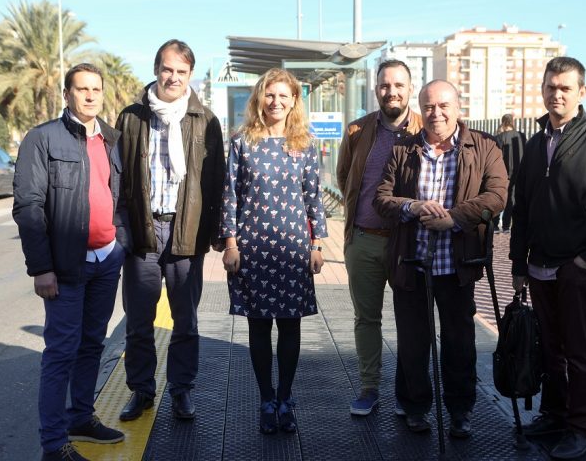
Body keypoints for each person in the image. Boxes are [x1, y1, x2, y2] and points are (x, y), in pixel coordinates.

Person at [510, 57, 586, 459]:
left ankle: (581, 430)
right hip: (539, 265)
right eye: (550, 87)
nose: (556, 94)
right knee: (549, 348)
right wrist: (517, 264)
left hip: (578, 267)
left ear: (581, 92)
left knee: (578, 351)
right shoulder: (533, 144)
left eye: (565, 87)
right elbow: (523, 207)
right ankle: (554, 414)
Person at [374, 80, 507, 435]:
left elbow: (496, 195)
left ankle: (460, 411)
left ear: (458, 107)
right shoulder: (403, 149)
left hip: (458, 265)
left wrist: (455, 217)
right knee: (413, 344)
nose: (437, 114)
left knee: (459, 343)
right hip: (412, 264)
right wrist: (412, 206)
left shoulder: (483, 146)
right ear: (421, 110)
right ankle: (415, 407)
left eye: (444, 105)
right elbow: (381, 198)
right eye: (429, 107)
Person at [13, 63, 130, 461]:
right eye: (82, 89)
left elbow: (120, 198)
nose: (90, 95)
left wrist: (122, 243)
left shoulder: (112, 139)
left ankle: (81, 417)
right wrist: (41, 267)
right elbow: (29, 207)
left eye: (96, 89)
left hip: (106, 260)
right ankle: (52, 444)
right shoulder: (42, 138)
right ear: (67, 94)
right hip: (65, 267)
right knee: (61, 351)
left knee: (92, 344)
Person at [115, 39, 225, 422]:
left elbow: (215, 180)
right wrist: (122, 232)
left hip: (186, 232)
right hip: (143, 235)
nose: (173, 77)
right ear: (156, 69)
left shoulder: (206, 120)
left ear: (190, 74)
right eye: (167, 69)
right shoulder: (131, 118)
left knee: (186, 321)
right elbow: (120, 180)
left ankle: (181, 391)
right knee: (139, 321)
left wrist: (213, 233)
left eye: (181, 71)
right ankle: (141, 391)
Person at [220, 68, 327, 435]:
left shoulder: (304, 144)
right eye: (269, 95)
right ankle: (266, 399)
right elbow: (229, 195)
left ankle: (286, 398)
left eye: (284, 96)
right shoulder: (241, 142)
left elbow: (314, 197)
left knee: (291, 326)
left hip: (294, 248)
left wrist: (316, 244)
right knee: (259, 326)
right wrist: (230, 244)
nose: (276, 102)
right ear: (259, 98)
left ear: (294, 101)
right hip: (253, 250)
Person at [336, 59, 423, 416]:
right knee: (366, 318)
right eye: (386, 85)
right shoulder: (358, 130)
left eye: (399, 85)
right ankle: (369, 386)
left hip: (408, 242)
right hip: (364, 239)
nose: (392, 92)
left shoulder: (425, 129)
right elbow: (345, 178)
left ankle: (409, 393)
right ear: (376, 89)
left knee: (411, 320)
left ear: (410, 89)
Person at [492, 113, 525, 232]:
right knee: (512, 198)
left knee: (500, 197)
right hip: (518, 171)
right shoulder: (521, 136)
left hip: (502, 172)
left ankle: (495, 225)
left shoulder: (499, 137)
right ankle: (506, 225)